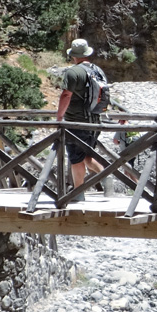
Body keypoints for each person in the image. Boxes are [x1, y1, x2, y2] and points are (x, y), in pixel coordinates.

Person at [56, 39, 105, 197]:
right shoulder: (97, 70)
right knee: (88, 157)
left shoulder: (73, 72)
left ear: (73, 55)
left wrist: (59, 117)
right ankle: (108, 181)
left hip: (77, 121)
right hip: (95, 119)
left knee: (76, 158)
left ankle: (78, 194)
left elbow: (66, 95)